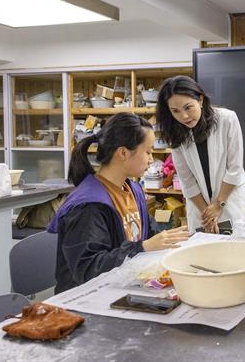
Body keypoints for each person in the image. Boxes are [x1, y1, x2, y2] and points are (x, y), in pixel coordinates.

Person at [48, 113, 189, 293]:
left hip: (121, 286)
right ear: (123, 153)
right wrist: (143, 247)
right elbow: (88, 268)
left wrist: (170, 241)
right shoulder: (88, 205)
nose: (151, 159)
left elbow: (150, 234)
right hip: (86, 297)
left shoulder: (133, 189)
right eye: (147, 152)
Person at [156, 76, 245, 234]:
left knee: (235, 245)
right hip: (200, 208)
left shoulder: (227, 119)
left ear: (200, 100)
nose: (184, 116)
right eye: (175, 111)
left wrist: (218, 205)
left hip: (230, 200)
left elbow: (235, 169)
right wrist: (207, 214)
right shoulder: (176, 131)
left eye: (188, 107)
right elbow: (186, 180)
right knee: (202, 247)